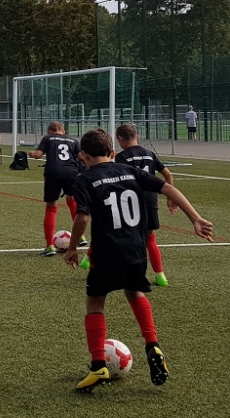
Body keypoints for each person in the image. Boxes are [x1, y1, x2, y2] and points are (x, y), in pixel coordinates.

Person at [65, 128, 212, 392]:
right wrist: (196, 218)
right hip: (136, 250)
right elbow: (167, 187)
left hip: (106, 252)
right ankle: (153, 344)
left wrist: (73, 247)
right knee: (135, 292)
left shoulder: (85, 179)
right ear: (112, 152)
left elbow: (82, 217)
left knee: (95, 302)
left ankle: (98, 366)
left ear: (83, 155)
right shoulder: (130, 171)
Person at [113, 124, 176, 287]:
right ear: (138, 137)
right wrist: (170, 197)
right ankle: (160, 276)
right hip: (150, 200)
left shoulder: (121, 157)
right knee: (150, 238)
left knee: (122, 235)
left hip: (131, 200)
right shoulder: (150, 154)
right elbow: (168, 174)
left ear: (120, 139)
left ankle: (104, 266)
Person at [29, 121, 86, 256]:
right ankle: (81, 236)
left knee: (51, 207)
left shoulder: (48, 139)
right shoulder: (73, 141)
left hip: (53, 172)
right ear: (63, 131)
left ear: (50, 132)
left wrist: (31, 153)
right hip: (71, 172)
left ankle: (50, 246)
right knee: (72, 200)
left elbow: (38, 155)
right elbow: (82, 158)